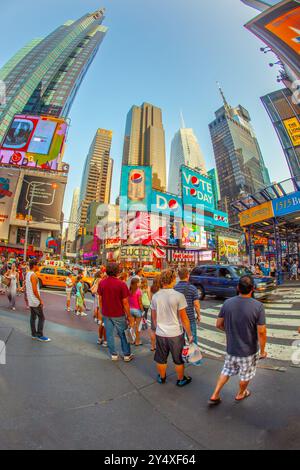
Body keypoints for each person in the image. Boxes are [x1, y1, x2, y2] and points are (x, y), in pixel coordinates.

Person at [209, 275, 267, 406]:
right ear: (253, 289)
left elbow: (218, 324)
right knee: (245, 375)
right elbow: (262, 332)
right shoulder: (258, 306)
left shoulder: (227, 303)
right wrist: (263, 351)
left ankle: (215, 394)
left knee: (226, 371)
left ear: (237, 288)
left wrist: (230, 331)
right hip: (248, 351)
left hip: (231, 349)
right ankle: (241, 393)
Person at [151, 269, 193, 387]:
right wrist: (189, 334)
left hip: (161, 333)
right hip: (175, 333)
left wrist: (156, 329)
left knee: (161, 358)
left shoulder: (155, 296)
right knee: (178, 359)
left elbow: (154, 317)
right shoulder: (179, 296)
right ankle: (180, 379)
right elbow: (184, 319)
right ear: (173, 280)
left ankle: (162, 377)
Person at [98, 263, 135, 362]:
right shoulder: (121, 284)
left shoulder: (102, 283)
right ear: (117, 271)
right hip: (119, 313)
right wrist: (129, 316)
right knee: (123, 334)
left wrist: (102, 310)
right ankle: (126, 354)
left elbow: (100, 299)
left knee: (109, 334)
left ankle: (113, 354)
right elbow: (125, 302)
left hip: (106, 313)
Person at [26, 260, 51, 342]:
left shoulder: (28, 274)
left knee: (33, 317)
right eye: (38, 265)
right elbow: (35, 290)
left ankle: (34, 334)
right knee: (42, 317)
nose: (39, 266)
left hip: (30, 299)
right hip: (35, 300)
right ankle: (39, 335)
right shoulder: (33, 275)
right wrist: (40, 300)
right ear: (34, 265)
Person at [175, 268, 201, 344]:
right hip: (190, 318)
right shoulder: (192, 288)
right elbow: (196, 304)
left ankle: (181, 354)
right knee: (192, 340)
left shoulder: (175, 288)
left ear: (179, 276)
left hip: (178, 318)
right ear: (188, 276)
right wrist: (198, 315)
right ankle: (193, 354)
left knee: (180, 341)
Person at [129, 278, 144, 346]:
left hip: (130, 310)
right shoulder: (138, 291)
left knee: (131, 326)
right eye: (139, 282)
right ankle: (137, 341)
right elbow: (140, 302)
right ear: (136, 283)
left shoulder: (129, 290)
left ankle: (132, 340)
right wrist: (142, 310)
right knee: (138, 326)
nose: (140, 283)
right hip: (137, 310)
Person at [149, 277, 161, 352]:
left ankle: (152, 346)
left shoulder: (151, 288)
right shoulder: (161, 289)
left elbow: (150, 298)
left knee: (153, 329)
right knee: (160, 329)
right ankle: (158, 345)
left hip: (153, 309)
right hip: (160, 310)